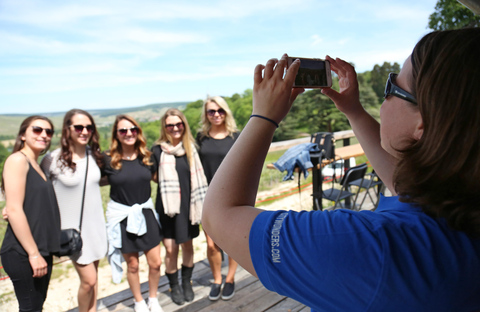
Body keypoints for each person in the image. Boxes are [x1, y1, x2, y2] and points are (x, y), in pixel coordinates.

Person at [202, 28, 480, 312]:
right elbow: (408, 187)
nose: (384, 100)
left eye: (393, 87)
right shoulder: (459, 209)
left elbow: (218, 216)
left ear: (423, 123)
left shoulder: (371, 248)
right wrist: (354, 110)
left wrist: (263, 116)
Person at [40, 109, 107, 312]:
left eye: (89, 127)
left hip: (96, 226)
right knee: (89, 280)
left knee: (94, 280)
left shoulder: (94, 155)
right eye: (79, 127)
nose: (84, 131)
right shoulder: (52, 159)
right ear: (67, 129)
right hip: (72, 232)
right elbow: (37, 189)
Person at [103, 115, 163, 312]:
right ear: (117, 135)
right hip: (123, 218)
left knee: (155, 263)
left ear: (138, 132)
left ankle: (153, 298)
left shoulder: (147, 156)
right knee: (133, 265)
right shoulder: (108, 159)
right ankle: (138, 301)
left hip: (145, 214)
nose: (128, 134)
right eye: (123, 131)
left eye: (133, 129)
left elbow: (159, 177)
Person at [0, 116, 61, 311]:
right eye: (37, 130)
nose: (44, 135)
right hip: (23, 252)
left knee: (36, 306)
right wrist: (34, 254)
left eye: (48, 131)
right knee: (31, 308)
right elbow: (14, 209)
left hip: (40, 249)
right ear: (23, 134)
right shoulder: (18, 159)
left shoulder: (38, 164)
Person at [152, 108, 208, 305]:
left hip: (189, 205)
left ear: (184, 125)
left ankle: (186, 283)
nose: (175, 128)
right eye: (170, 125)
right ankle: (174, 285)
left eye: (178, 124)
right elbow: (152, 175)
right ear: (165, 128)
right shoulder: (158, 150)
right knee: (170, 249)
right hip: (168, 207)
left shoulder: (192, 147)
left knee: (187, 245)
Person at [196, 96, 240, 301]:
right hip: (207, 197)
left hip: (233, 196)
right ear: (206, 115)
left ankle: (230, 278)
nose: (216, 115)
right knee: (212, 243)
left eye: (220, 110)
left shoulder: (237, 136)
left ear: (226, 112)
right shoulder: (200, 138)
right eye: (211, 111)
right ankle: (216, 278)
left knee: (231, 240)